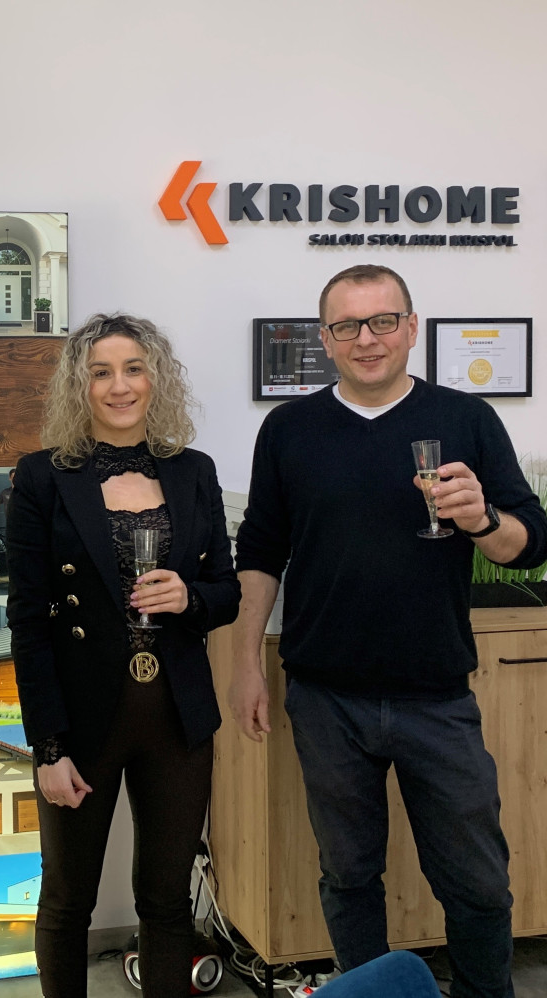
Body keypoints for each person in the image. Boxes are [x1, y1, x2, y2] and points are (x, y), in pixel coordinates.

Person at [231, 264, 547, 998]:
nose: (366, 339)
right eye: (347, 325)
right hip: (325, 698)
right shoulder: (288, 429)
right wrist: (246, 664)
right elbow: (261, 552)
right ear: (325, 339)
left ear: (411, 328)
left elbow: (531, 542)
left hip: (437, 696)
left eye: (381, 321)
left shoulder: (467, 419)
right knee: (348, 875)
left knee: (478, 883)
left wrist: (483, 520)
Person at [6, 313, 240, 997]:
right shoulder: (43, 476)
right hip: (82, 722)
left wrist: (189, 597)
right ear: (78, 386)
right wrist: (47, 748)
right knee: (67, 900)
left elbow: (225, 592)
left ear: (155, 378)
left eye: (133, 369)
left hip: (178, 718)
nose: (119, 386)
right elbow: (28, 621)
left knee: (167, 899)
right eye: (100, 373)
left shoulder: (193, 470)